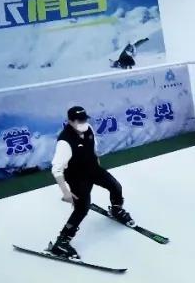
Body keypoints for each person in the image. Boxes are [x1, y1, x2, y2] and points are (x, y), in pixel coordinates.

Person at [48, 105, 134, 258]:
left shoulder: (88, 129)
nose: (83, 123)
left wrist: (97, 164)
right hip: (77, 177)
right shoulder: (65, 142)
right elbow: (56, 169)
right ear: (70, 121)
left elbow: (93, 149)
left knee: (115, 186)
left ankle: (116, 209)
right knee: (82, 208)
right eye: (79, 120)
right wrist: (66, 192)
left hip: (93, 169)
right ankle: (61, 242)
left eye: (84, 119)